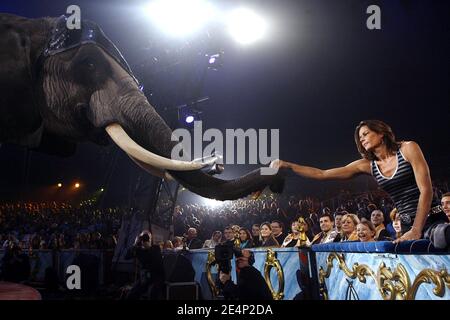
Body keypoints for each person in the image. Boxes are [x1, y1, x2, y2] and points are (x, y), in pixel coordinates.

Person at [271, 120, 449, 248]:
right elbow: (322, 174)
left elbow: (426, 190)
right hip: (406, 224)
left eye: (366, 134)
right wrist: (288, 165)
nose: (362, 139)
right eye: (360, 138)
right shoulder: (366, 165)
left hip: (431, 219)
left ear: (381, 133)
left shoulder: (408, 148)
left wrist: (417, 229)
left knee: (441, 238)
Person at [125, 230, 165, 299]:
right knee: (131, 294)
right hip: (145, 277)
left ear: (150, 239)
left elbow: (156, 262)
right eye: (143, 238)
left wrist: (147, 246)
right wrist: (135, 244)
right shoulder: (139, 250)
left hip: (156, 277)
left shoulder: (155, 248)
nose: (145, 240)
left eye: (147, 238)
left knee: (153, 292)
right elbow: (127, 257)